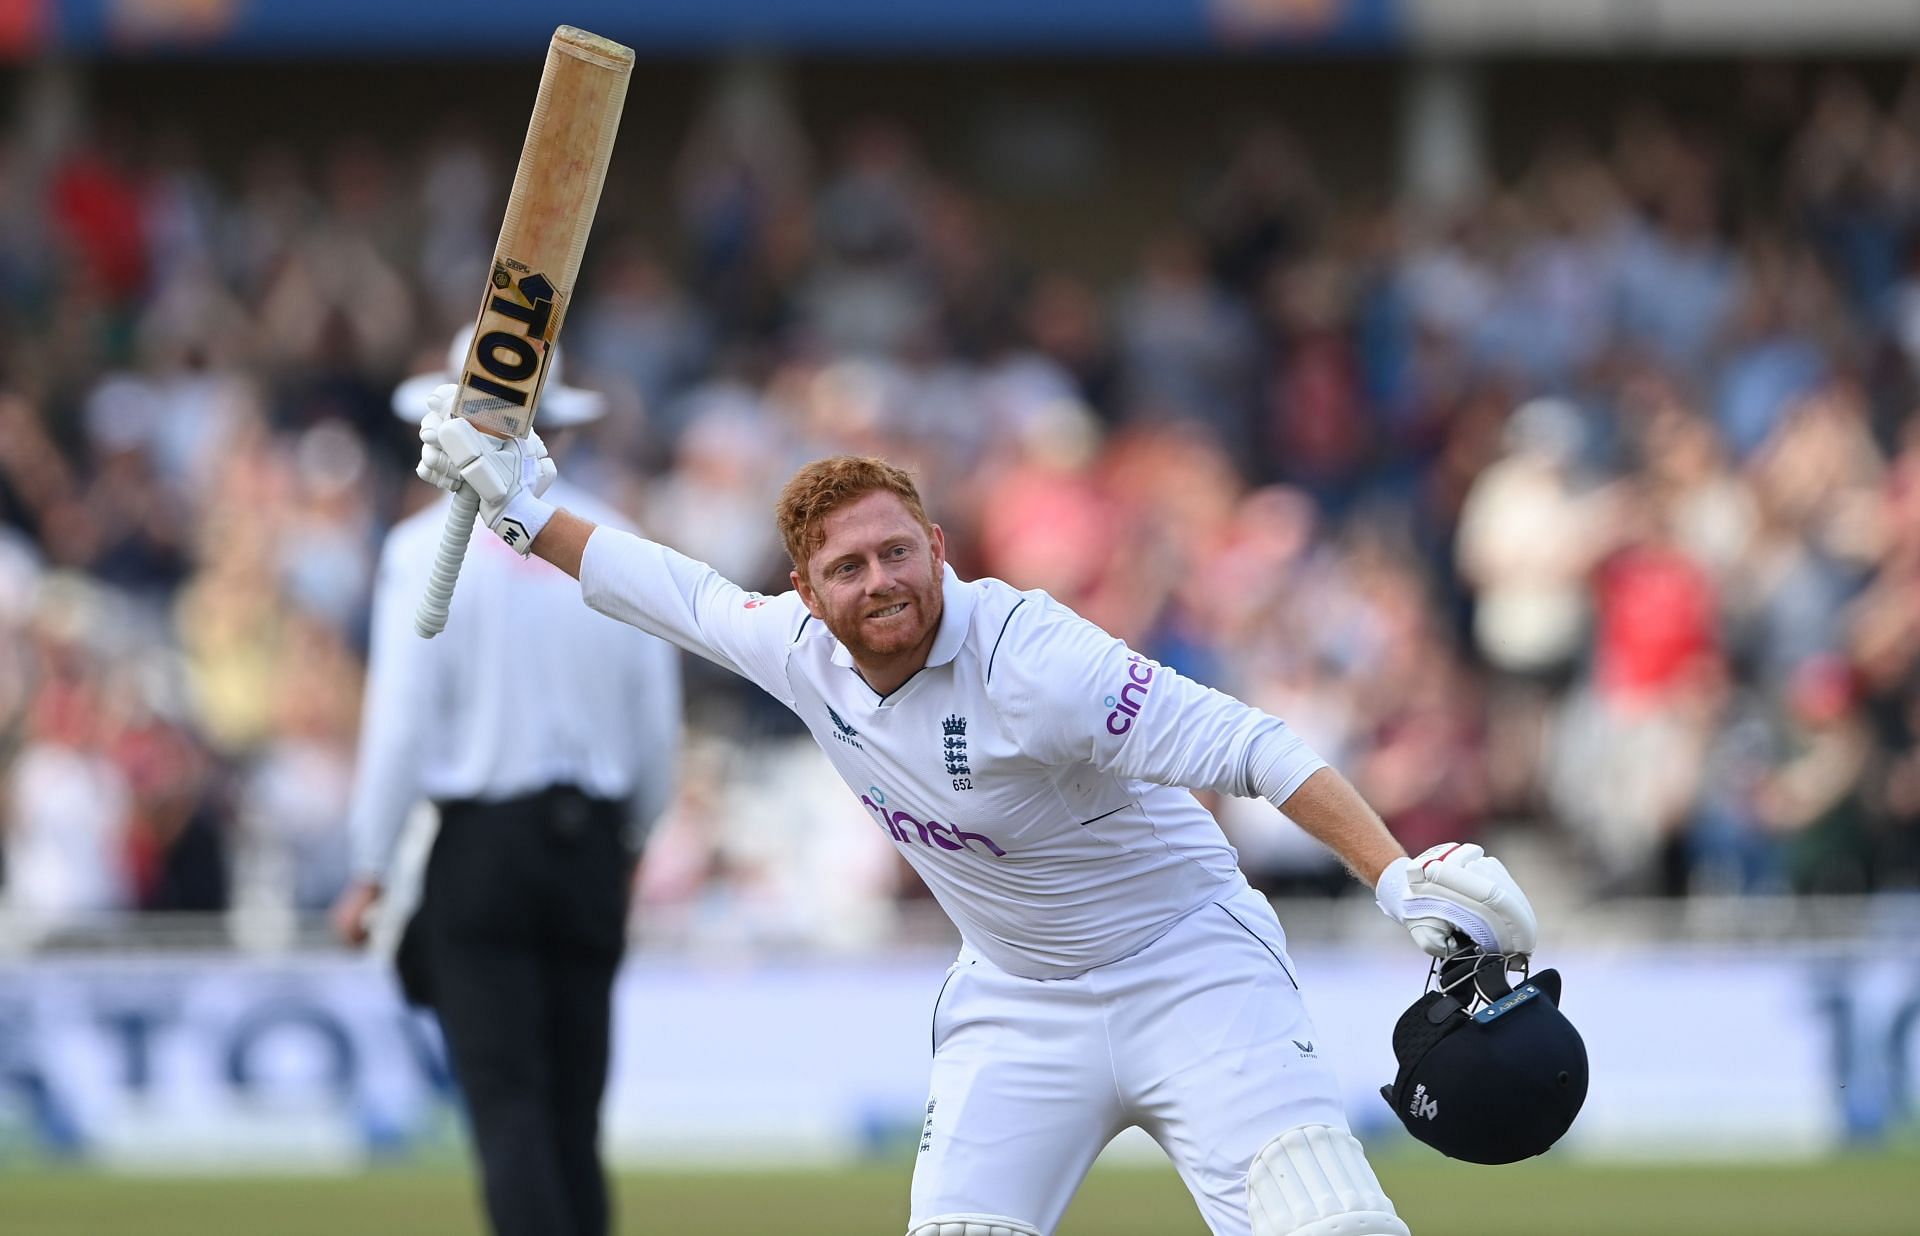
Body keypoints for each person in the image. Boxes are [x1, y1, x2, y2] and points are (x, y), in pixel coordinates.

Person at [414, 390, 1539, 1236]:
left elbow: (1254, 745)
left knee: (1330, 1225)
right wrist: (518, 501)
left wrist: (1399, 878)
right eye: (848, 568)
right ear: (807, 594)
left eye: (899, 551)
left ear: (938, 550)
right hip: (1017, 1003)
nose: (882, 581)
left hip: (1192, 968)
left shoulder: (1036, 658)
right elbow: (664, 587)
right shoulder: (796, 651)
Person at [332, 335, 682, 1236]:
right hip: (591, 844)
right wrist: (633, 841)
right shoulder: (616, 539)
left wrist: (369, 865)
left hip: (482, 849)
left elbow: (399, 726)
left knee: (510, 1110)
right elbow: (656, 725)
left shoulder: (420, 551)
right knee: (572, 1113)